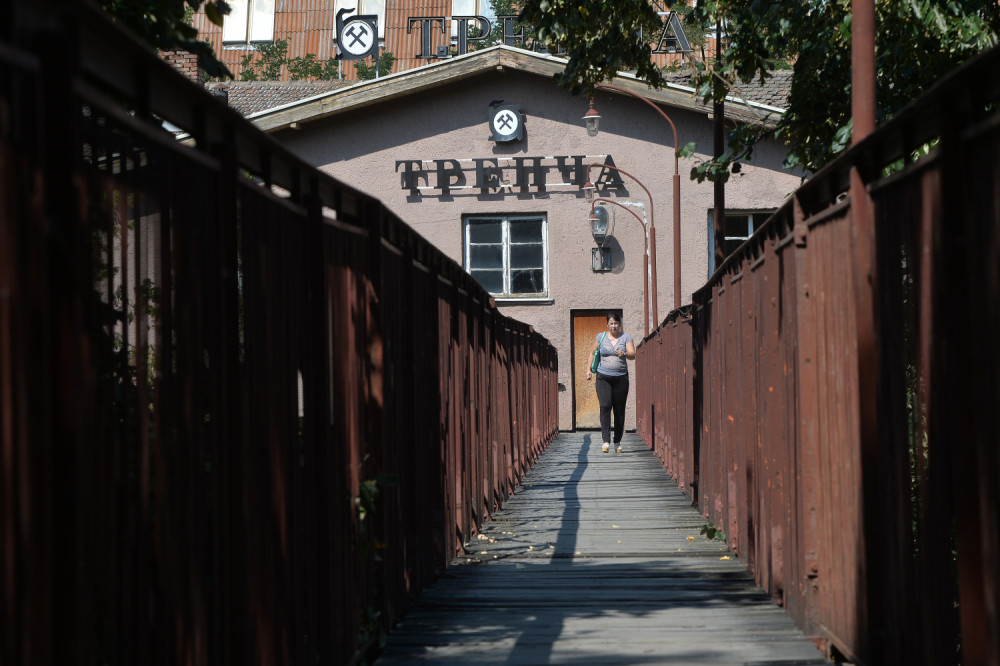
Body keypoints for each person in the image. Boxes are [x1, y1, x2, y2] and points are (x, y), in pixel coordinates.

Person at [585, 312, 636, 453]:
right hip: (603, 377)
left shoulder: (626, 338)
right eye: (611, 323)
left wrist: (624, 354)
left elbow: (633, 354)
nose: (614, 326)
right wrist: (588, 369)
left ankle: (617, 441)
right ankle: (606, 440)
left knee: (619, 410)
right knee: (605, 405)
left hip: (621, 378)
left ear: (620, 324)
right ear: (607, 324)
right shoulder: (601, 337)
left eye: (616, 323)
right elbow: (592, 352)